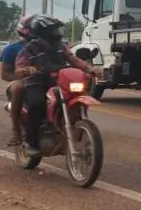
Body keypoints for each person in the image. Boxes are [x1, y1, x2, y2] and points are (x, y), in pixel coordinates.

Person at [14, 14, 99, 157]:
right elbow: (18, 69)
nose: (58, 33)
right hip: (37, 82)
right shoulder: (29, 49)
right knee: (36, 104)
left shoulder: (61, 47)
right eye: (54, 30)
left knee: (76, 96)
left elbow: (74, 60)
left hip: (59, 80)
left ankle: (73, 129)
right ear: (44, 32)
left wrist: (90, 69)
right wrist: (27, 69)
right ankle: (32, 143)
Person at [0, 15, 34, 146]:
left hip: (41, 81)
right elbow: (4, 74)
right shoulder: (11, 49)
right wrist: (23, 77)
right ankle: (16, 130)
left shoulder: (45, 47)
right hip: (18, 82)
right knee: (19, 88)